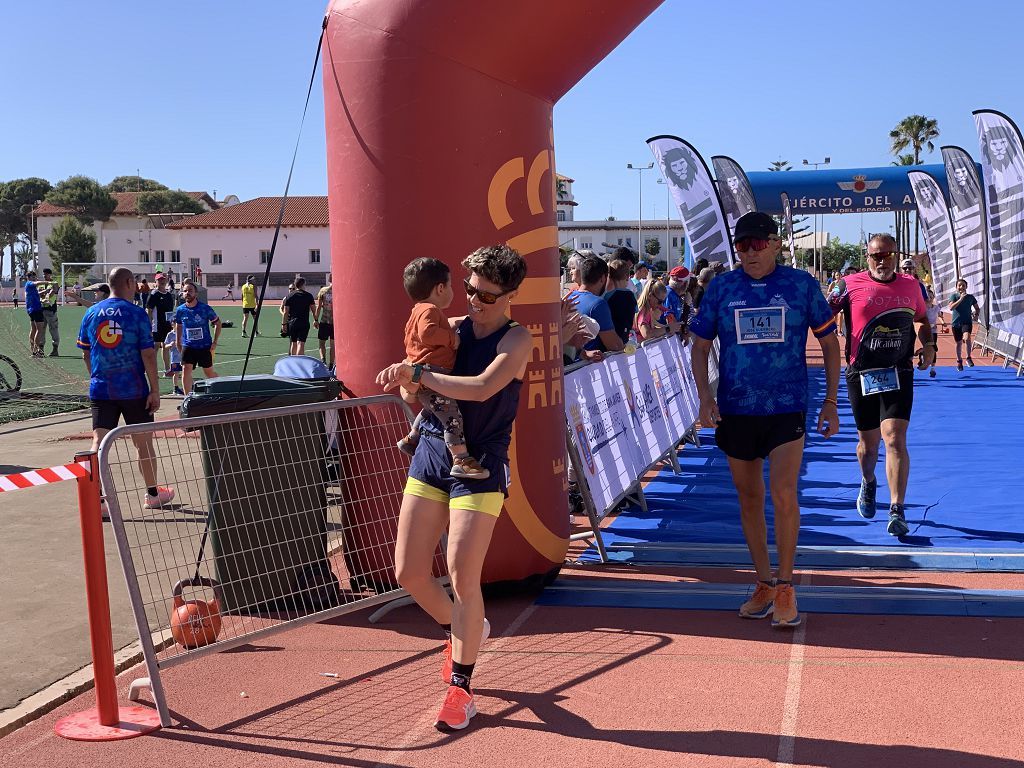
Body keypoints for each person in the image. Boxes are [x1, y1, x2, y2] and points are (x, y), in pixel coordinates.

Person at [376, 244, 530, 733]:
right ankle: (463, 629)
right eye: (470, 290)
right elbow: (414, 390)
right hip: (431, 455)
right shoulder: (451, 329)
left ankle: (461, 686)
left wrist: (420, 374)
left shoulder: (517, 339)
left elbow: (484, 387)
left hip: (481, 463)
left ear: (510, 294)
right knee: (409, 573)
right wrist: (407, 380)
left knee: (463, 574)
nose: (475, 300)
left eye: (486, 294)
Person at [691, 212, 840, 629]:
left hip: (786, 406)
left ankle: (787, 585)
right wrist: (704, 398)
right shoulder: (721, 288)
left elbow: (830, 344)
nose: (751, 252)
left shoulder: (800, 286)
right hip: (737, 410)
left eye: (758, 244)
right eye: (743, 245)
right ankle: (763, 582)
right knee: (749, 498)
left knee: (784, 493)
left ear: (775, 244)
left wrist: (829, 401)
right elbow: (699, 348)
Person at [829, 234, 933, 538]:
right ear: (867, 257)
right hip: (861, 372)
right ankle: (868, 480)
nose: (882, 260)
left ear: (896, 255)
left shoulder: (912, 285)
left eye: (888, 255)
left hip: (899, 370)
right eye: (876, 256)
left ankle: (897, 509)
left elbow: (923, 320)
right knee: (868, 446)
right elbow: (822, 319)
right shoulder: (847, 285)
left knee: (895, 439)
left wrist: (929, 344)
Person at [77, 267, 175, 511]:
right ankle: (152, 494)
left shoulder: (91, 313)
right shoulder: (136, 314)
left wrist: (97, 377)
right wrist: (155, 389)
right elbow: (148, 354)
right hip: (133, 389)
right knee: (143, 443)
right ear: (130, 283)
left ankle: (95, 498)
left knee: (98, 441)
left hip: (102, 389)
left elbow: (85, 353)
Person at [395, 257, 489, 480]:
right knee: (452, 417)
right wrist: (451, 340)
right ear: (440, 288)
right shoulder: (429, 309)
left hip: (425, 375)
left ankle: (413, 437)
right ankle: (461, 459)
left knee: (432, 408)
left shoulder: (417, 310)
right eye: (450, 285)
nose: (453, 291)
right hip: (433, 374)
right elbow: (428, 333)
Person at [566, 255, 625, 361]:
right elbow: (614, 345)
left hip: (570, 362)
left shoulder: (568, 298)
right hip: (587, 368)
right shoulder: (598, 304)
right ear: (603, 278)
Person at [174, 281, 221, 394]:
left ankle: (220, 388)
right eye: (185, 291)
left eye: (190, 290)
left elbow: (218, 323)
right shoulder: (180, 310)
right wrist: (178, 341)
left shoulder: (205, 308)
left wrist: (214, 342)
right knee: (186, 370)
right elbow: (179, 325)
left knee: (208, 372)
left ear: (196, 293)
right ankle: (187, 398)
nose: (187, 293)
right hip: (188, 345)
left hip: (204, 346)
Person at [146, 273, 176, 377]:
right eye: (160, 280)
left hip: (167, 325)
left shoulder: (168, 295)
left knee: (166, 347)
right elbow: (149, 310)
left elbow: (170, 311)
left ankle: (168, 370)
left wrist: (172, 324)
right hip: (157, 326)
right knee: (156, 347)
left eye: (164, 279)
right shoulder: (154, 294)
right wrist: (149, 325)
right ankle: (152, 370)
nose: (162, 282)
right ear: (156, 282)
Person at [603, 259, 638, 344]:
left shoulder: (608, 296)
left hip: (613, 334)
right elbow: (635, 312)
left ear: (610, 276)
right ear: (627, 276)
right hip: (626, 334)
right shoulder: (631, 295)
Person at [949, 278, 980, 371]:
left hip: (967, 322)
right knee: (958, 343)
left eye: (963, 285)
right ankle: (959, 361)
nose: (961, 287)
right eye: (959, 285)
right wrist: (961, 299)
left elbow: (977, 308)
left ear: (966, 287)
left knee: (967, 338)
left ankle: (968, 358)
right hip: (956, 323)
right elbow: (951, 307)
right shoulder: (953, 296)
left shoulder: (970, 297)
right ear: (956, 287)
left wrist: (976, 315)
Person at [281, 277, 315, 356]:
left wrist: (284, 324)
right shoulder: (308, 296)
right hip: (304, 322)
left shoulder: (289, 296)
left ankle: (293, 362)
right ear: (303, 284)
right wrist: (316, 320)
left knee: (294, 343)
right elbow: (314, 309)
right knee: (301, 343)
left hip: (293, 322)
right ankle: (300, 362)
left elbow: (286, 312)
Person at [23, 271, 46, 358]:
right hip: (36, 309)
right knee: (39, 330)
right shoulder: (30, 283)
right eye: (33, 277)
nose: (35, 278)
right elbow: (37, 283)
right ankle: (36, 351)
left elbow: (36, 294)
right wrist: (48, 282)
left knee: (33, 329)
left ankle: (33, 349)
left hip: (31, 309)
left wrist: (45, 290)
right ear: (29, 277)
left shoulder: (30, 286)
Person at [38, 268, 60, 356]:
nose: (44, 275)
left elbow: (51, 293)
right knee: (41, 330)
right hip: (42, 310)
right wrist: (44, 294)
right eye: (44, 274)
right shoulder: (41, 285)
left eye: (46, 274)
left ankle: (55, 349)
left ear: (50, 275)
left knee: (53, 329)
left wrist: (44, 295)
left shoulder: (54, 284)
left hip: (51, 311)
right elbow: (38, 293)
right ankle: (41, 349)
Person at [313, 282, 335, 368]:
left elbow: (318, 307)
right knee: (332, 345)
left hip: (324, 320)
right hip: (334, 322)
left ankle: (323, 361)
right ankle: (331, 364)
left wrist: (316, 319)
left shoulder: (323, 291)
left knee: (322, 343)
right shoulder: (338, 290)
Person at [163, 327, 185, 396]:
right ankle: (176, 388)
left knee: (186, 372)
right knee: (176, 373)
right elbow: (165, 346)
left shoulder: (183, 331)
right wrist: (170, 345)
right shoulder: (170, 334)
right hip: (175, 358)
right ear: (172, 325)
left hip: (183, 357)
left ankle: (189, 386)